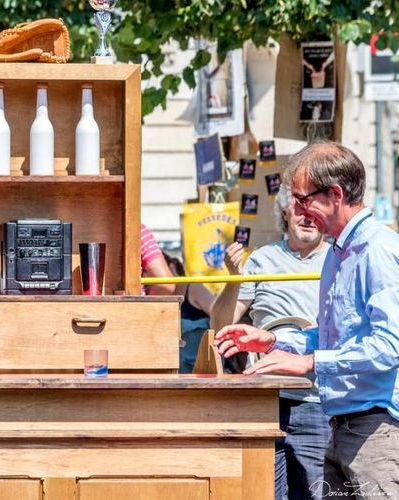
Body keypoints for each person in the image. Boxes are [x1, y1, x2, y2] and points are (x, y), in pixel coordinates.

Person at [215, 141, 399, 499]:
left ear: (334, 194)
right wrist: (272, 342)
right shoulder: (339, 253)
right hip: (344, 428)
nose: (297, 210)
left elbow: (389, 347)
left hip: (376, 431)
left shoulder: (377, 250)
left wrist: (310, 361)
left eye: (302, 199)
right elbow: (335, 337)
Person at [211, 186, 330, 500]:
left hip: (318, 402)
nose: (306, 216)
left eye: (313, 208)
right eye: (298, 207)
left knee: (317, 494)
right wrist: (233, 277)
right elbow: (221, 325)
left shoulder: (337, 261)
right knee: (261, 492)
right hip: (264, 402)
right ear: (285, 212)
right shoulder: (261, 260)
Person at [164, 252, 215, 373]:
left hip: (201, 373)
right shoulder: (156, 299)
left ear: (171, 268)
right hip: (173, 374)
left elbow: (220, 316)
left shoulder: (193, 287)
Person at [140, 223, 175, 295]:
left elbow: (165, 283)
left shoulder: (137, 229)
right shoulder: (136, 229)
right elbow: (165, 283)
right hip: (131, 304)